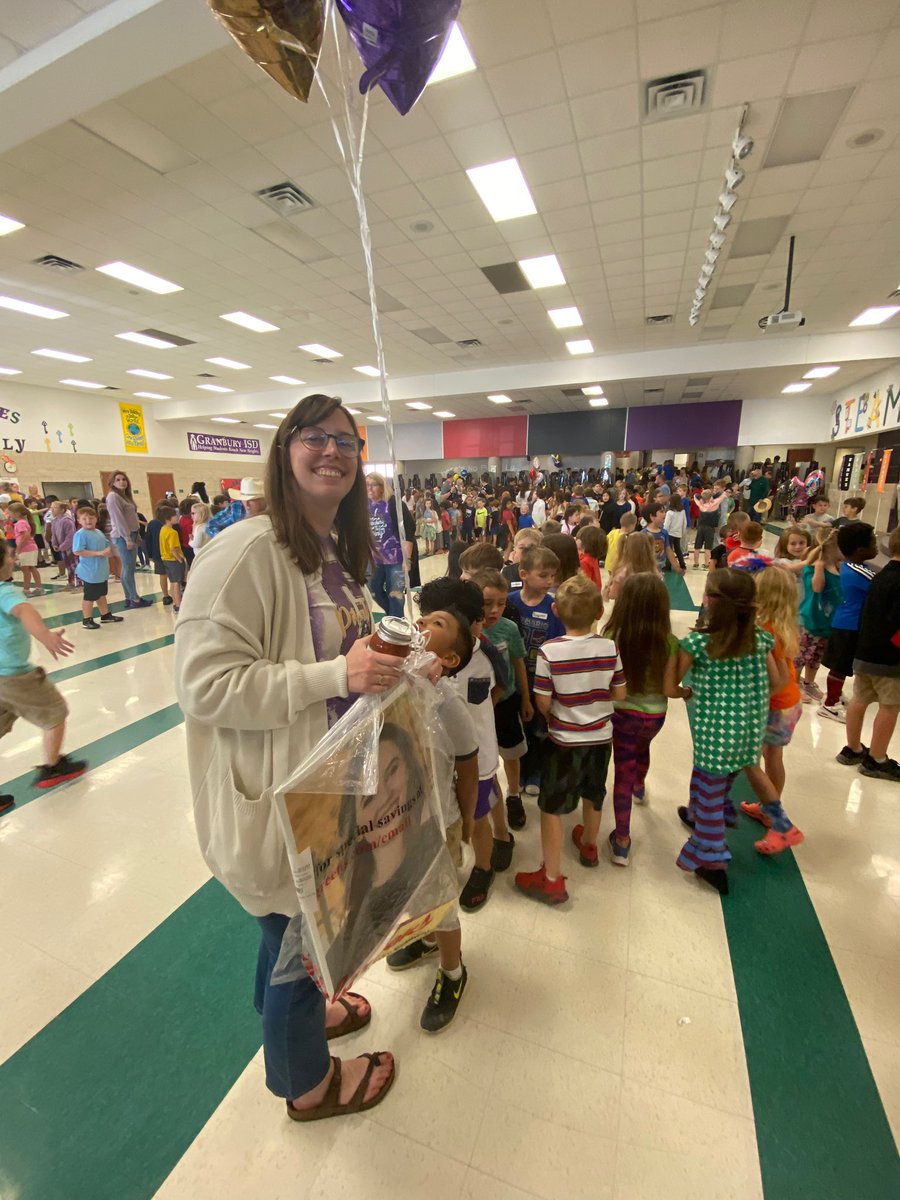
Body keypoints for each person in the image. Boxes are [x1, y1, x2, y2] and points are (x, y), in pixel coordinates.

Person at [175, 393, 401, 1124]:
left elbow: (341, 654)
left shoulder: (328, 548)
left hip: (327, 786)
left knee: (294, 936)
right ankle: (306, 1083)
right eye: (315, 436)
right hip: (282, 800)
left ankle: (303, 1015)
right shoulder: (244, 551)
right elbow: (204, 686)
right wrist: (337, 677)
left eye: (345, 440)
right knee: (300, 948)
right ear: (283, 449)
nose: (332, 449)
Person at [385, 606, 479, 1031]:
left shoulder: (450, 705)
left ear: (451, 660)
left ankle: (453, 971)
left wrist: (469, 824)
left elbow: (469, 765)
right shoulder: (398, 691)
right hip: (403, 819)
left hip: (441, 821)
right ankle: (425, 940)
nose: (422, 625)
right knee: (415, 893)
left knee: (442, 904)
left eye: (436, 624)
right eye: (422, 619)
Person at [665, 569, 779, 895]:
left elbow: (672, 687)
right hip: (748, 728)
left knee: (710, 786)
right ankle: (697, 811)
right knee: (722, 778)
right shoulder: (759, 638)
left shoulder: (698, 643)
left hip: (714, 731)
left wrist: (685, 692)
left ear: (710, 601)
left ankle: (712, 862)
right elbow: (774, 680)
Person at [515, 575, 625, 902]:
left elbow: (544, 701)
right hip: (601, 737)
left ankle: (551, 878)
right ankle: (589, 845)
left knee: (552, 806)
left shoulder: (551, 651)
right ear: (599, 612)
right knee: (594, 791)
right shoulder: (609, 647)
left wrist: (554, 714)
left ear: (556, 610)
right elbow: (620, 692)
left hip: (564, 740)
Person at [0, 539, 87, 813]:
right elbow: (25, 610)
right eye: (10, 557)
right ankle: (52, 768)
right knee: (54, 713)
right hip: (15, 677)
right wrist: (45, 635)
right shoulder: (5, 591)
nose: (13, 561)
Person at [603, 573, 683, 864]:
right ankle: (640, 784)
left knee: (621, 770)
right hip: (655, 718)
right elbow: (669, 689)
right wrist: (685, 691)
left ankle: (622, 839)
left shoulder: (612, 636)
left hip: (622, 715)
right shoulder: (669, 642)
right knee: (643, 748)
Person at [739, 568, 806, 853]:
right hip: (789, 704)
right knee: (772, 757)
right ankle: (769, 805)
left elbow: (772, 678)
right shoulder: (785, 624)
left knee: (756, 760)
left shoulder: (764, 631)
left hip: (775, 706)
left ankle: (777, 821)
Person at [837, 525, 900, 781]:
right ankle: (877, 759)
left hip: (864, 650)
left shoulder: (880, 575)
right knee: (890, 706)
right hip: (889, 656)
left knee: (859, 699)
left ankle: (852, 748)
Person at [472, 569, 531, 834]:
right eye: (487, 603)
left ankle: (514, 794)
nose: (494, 610)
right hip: (477, 707)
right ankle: (488, 795)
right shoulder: (467, 632)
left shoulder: (509, 629)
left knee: (511, 752)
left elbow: (518, 664)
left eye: (501, 603)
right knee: (483, 756)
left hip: (506, 704)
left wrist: (526, 698)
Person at [507, 546, 565, 802]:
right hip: (515, 681)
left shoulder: (554, 607)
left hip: (542, 684)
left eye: (552, 575)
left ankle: (535, 773)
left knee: (540, 730)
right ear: (524, 574)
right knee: (517, 729)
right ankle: (518, 772)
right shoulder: (510, 602)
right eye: (544, 575)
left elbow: (561, 643)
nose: (550, 581)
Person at [818, 522, 878, 722]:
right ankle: (830, 704)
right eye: (874, 543)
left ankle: (835, 695)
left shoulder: (852, 566)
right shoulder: (860, 572)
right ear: (860, 549)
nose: (877, 547)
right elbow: (878, 586)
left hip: (847, 623)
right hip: (850, 625)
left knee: (841, 666)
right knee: (840, 666)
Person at [797, 530, 842, 703]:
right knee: (801, 656)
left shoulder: (839, 568)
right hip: (811, 620)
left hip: (827, 622)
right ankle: (793, 685)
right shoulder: (813, 566)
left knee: (816, 657)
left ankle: (809, 682)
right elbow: (817, 588)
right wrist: (819, 568)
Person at [105, 470, 151, 609]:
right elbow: (119, 520)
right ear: (112, 482)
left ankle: (130, 597)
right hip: (124, 536)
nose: (122, 482)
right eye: (118, 479)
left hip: (132, 533)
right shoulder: (113, 497)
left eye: (124, 479)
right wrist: (127, 538)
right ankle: (133, 598)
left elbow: (130, 517)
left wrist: (136, 534)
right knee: (128, 568)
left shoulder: (124, 496)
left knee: (129, 567)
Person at [73, 506, 124, 630]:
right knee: (89, 596)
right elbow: (78, 551)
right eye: (84, 519)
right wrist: (97, 553)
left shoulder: (98, 532)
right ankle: (86, 619)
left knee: (101, 594)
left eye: (91, 518)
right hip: (90, 571)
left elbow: (107, 545)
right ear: (79, 520)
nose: (88, 521)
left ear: (96, 519)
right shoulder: (81, 534)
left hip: (100, 570)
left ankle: (105, 614)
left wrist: (107, 550)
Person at [366, 472, 405, 618]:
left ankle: (397, 625)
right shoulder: (364, 507)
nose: (369, 488)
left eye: (373, 485)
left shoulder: (393, 503)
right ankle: (392, 616)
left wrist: (406, 560)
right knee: (373, 589)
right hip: (375, 558)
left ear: (382, 487)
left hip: (396, 557)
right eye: (366, 485)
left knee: (395, 594)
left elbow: (409, 527)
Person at [606, 531, 659, 601]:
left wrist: (608, 589)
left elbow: (612, 595)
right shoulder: (654, 571)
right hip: (648, 610)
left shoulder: (622, 573)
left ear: (627, 548)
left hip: (625, 610)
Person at [9, 502, 43, 596]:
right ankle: (39, 587)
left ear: (16, 513)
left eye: (10, 513)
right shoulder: (23, 522)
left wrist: (18, 548)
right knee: (32, 568)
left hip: (26, 549)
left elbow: (26, 535)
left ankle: (26, 589)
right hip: (30, 548)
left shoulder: (20, 523)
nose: (9, 515)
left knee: (26, 569)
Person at [159, 505, 188, 613]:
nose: (177, 517)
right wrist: (180, 559)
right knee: (176, 582)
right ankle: (178, 604)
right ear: (168, 518)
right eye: (174, 516)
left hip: (165, 559)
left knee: (172, 581)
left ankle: (176, 602)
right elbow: (173, 548)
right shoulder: (172, 532)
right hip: (173, 560)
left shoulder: (163, 529)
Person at [643, 502, 683, 575]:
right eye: (661, 512)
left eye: (664, 511)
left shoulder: (664, 532)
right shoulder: (643, 534)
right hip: (646, 570)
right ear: (652, 516)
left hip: (660, 569)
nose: (664, 513)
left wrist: (676, 567)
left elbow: (668, 550)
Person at [692, 489, 728, 569]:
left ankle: (695, 564)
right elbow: (722, 493)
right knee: (708, 547)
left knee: (697, 547)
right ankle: (706, 564)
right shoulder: (715, 503)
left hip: (700, 527)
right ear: (710, 496)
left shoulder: (700, 504)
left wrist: (701, 499)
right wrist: (713, 496)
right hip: (710, 528)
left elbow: (695, 496)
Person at [145, 505, 173, 606]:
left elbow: (147, 540)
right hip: (170, 553)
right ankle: (176, 593)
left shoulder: (152, 524)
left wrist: (149, 554)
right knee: (173, 575)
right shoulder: (169, 524)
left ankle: (166, 595)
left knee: (163, 575)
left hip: (157, 554)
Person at [48, 501, 78, 591]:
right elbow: (54, 535)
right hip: (62, 548)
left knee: (74, 565)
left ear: (62, 510)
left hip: (71, 548)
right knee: (68, 566)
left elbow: (70, 536)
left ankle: (80, 584)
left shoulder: (67, 521)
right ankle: (71, 583)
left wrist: (62, 546)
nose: (52, 509)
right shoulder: (54, 521)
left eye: (55, 507)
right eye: (51, 507)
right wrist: (54, 544)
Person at [501, 527, 542, 592]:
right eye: (521, 547)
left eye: (532, 547)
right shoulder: (507, 571)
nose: (526, 550)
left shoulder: (543, 571)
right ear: (515, 548)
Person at [604, 511, 636, 578]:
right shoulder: (627, 538)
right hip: (620, 564)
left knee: (612, 578)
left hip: (609, 562)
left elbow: (605, 542)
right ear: (632, 525)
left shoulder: (613, 532)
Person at [664, 493, 688, 571]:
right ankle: (682, 564)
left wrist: (664, 533)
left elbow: (667, 525)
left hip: (670, 533)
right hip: (678, 533)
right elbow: (684, 523)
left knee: (669, 550)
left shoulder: (669, 513)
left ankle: (668, 566)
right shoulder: (682, 511)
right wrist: (682, 532)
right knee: (678, 549)